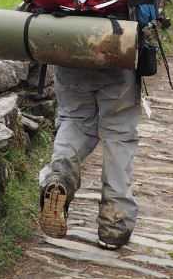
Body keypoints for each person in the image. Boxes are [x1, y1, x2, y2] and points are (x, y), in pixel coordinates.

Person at [39, 64, 141, 249]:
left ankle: (60, 176)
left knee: (74, 121)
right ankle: (114, 222)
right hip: (117, 60)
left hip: (69, 58)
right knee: (119, 133)